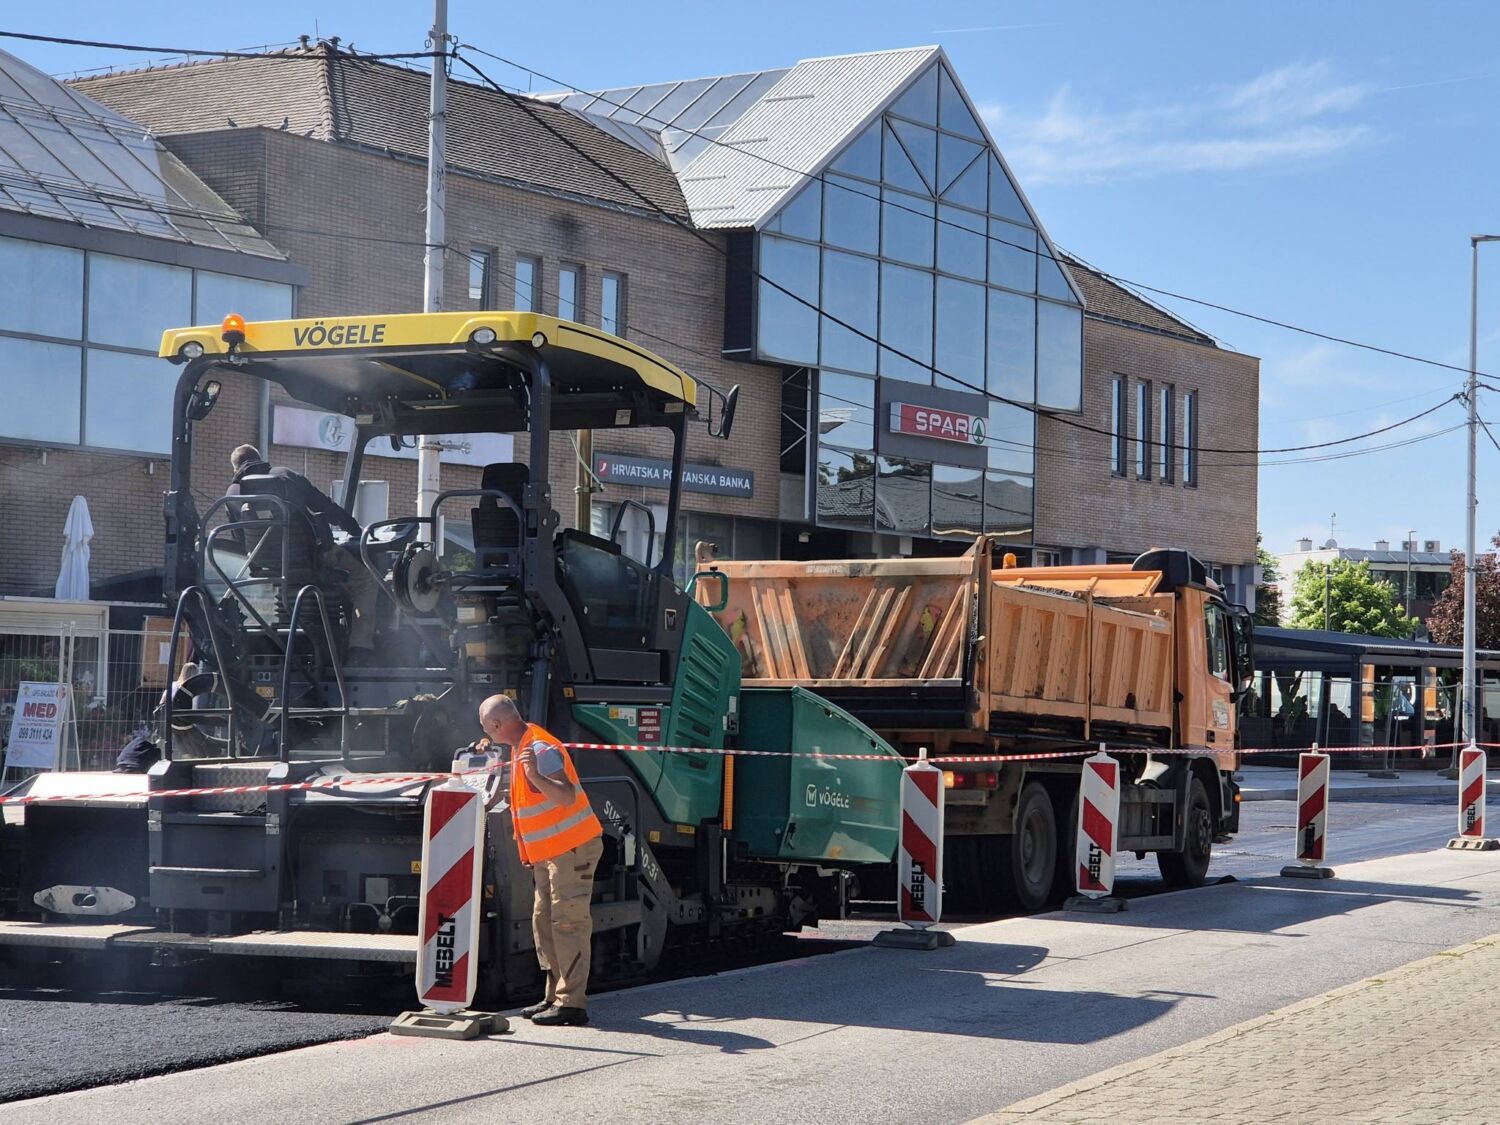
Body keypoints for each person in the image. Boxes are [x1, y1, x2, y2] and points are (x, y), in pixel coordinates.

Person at [478, 693, 603, 1027]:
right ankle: (554, 996)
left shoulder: (540, 749)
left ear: (497, 724)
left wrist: (533, 776)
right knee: (544, 921)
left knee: (567, 923)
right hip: (552, 853)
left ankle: (572, 1004)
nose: (488, 735)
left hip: (572, 849)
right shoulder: (522, 746)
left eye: (487, 729)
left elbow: (566, 796)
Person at [227, 444, 379, 655]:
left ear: (235, 468)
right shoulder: (285, 475)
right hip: (313, 558)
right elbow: (325, 506)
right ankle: (361, 648)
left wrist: (262, 561)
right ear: (260, 458)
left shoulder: (232, 494)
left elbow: (240, 539)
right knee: (366, 578)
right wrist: (355, 530)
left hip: (270, 567)